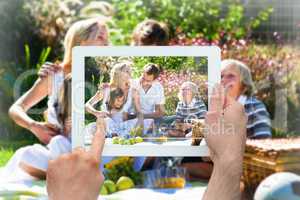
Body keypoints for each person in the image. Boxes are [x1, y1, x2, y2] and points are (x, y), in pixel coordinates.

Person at [46, 84, 248, 200]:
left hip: (189, 136)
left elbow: (188, 121)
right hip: (182, 139)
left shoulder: (194, 104)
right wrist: (227, 165)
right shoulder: (106, 109)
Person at [4, 18, 109, 181]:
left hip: (97, 150)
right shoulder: (55, 74)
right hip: (63, 150)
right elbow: (16, 108)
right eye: (101, 38)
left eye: (107, 40)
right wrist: (34, 126)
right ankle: (74, 174)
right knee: (26, 156)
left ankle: (74, 175)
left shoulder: (104, 74)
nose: (107, 45)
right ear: (81, 42)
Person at [221, 59, 272, 139]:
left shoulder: (255, 107)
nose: (223, 80)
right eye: (221, 76)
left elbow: (264, 142)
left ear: (244, 84)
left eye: (230, 76)